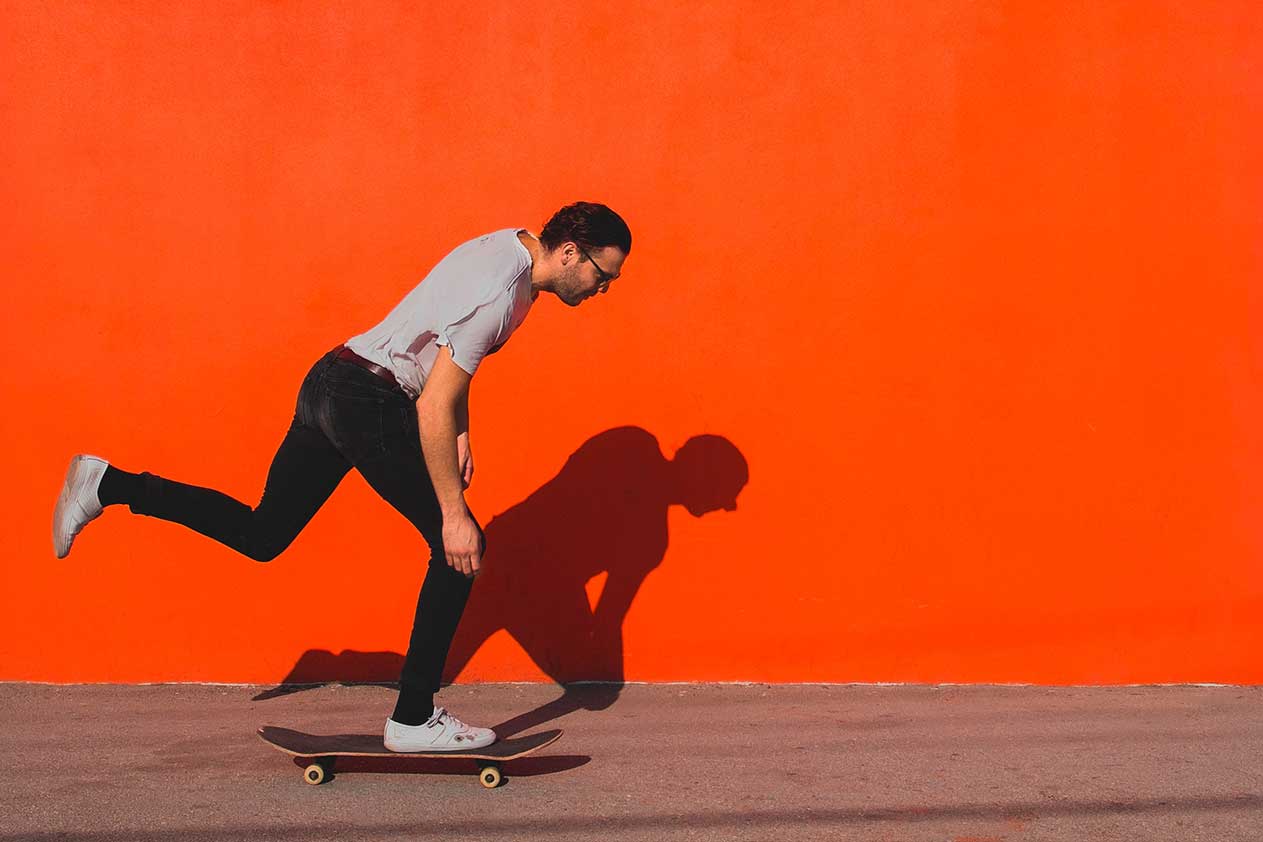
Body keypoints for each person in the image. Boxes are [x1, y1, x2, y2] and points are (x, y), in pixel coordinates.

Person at [51, 201, 632, 752]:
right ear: (572, 252)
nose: (604, 290)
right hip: (369, 400)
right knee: (460, 550)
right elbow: (431, 403)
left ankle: (110, 484)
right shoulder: (503, 295)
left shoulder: (505, 247)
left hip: (331, 378)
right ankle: (413, 718)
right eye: (604, 275)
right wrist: (454, 513)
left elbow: (446, 356)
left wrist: (461, 432)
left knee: (263, 534)